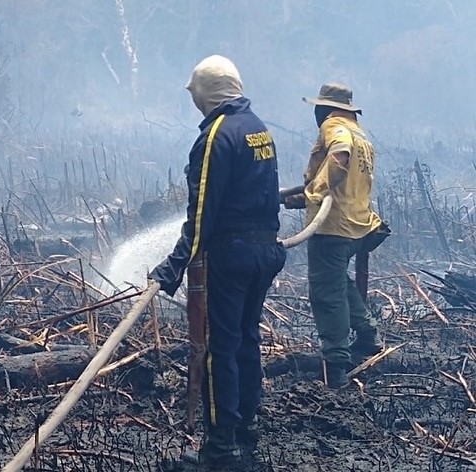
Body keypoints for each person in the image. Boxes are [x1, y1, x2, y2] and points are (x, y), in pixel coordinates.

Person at [150, 55, 286, 466]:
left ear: (205, 94)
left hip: (232, 257)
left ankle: (219, 447)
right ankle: (247, 423)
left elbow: (203, 212)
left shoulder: (216, 136)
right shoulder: (257, 128)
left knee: (218, 349)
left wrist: (172, 268)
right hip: (264, 253)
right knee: (246, 338)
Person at [286, 83, 386, 388]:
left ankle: (337, 369)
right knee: (338, 282)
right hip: (359, 225)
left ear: (328, 108)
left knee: (326, 294)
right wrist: (302, 194)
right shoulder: (361, 134)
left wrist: (315, 192)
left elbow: (339, 156)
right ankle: (369, 334)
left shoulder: (336, 127)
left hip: (333, 228)